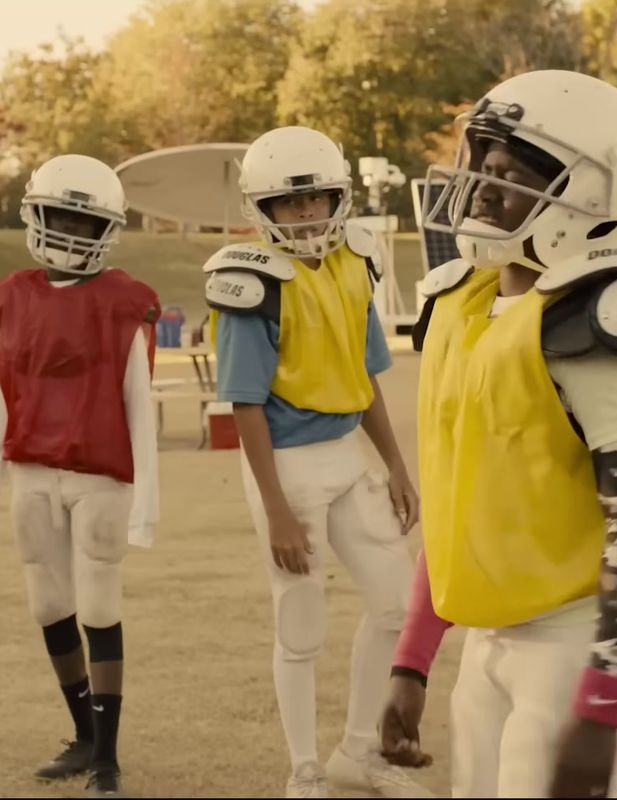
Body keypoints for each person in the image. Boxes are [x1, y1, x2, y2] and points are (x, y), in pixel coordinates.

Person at [409, 68, 617, 798]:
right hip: (490, 634)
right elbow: (458, 500)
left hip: (575, 631)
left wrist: (603, 703)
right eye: (480, 164)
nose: (479, 186)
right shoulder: (464, 303)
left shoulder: (591, 317)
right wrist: (411, 658)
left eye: (505, 171)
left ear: (589, 193)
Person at [205, 125, 428, 799]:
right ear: (260, 209)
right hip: (286, 463)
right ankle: (303, 769)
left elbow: (363, 377)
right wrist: (275, 508)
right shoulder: (251, 282)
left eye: (318, 200)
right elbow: (245, 405)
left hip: (345, 454)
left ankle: (357, 752)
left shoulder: (356, 262)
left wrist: (395, 462)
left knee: (396, 603)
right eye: (289, 204)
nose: (306, 215)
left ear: (341, 197)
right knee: (301, 623)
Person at [0, 154, 159, 797]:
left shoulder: (123, 302)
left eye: (86, 221)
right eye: (62, 216)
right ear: (35, 213)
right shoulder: (7, 297)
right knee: (48, 605)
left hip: (100, 474)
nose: (73, 233)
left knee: (100, 605)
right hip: (32, 473)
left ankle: (106, 757)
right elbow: (5, 395)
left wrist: (145, 505)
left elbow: (141, 404)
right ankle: (83, 735)